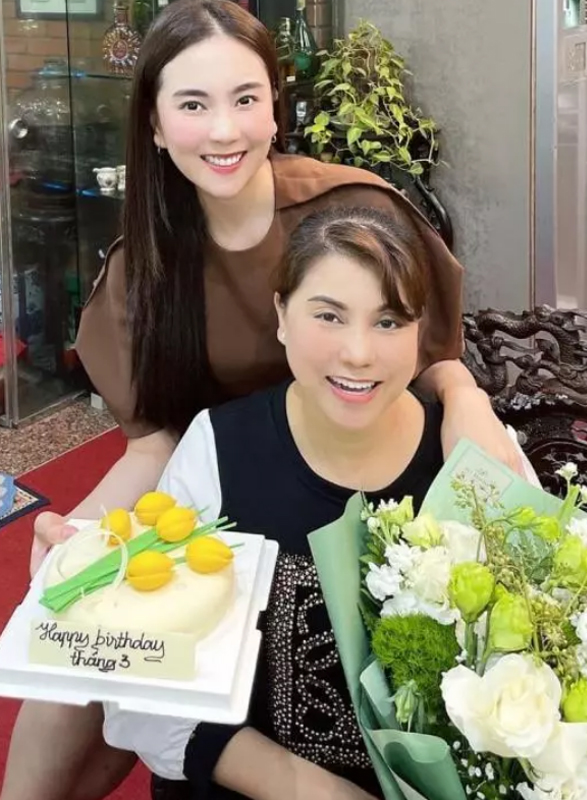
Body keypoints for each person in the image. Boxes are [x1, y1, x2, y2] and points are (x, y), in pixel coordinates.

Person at [0, 2, 522, 799]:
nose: (224, 130)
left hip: (351, 474)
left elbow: (427, 351)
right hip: (224, 491)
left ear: (276, 107)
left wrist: (466, 398)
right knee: (77, 649)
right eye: (193, 103)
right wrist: (83, 536)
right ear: (154, 124)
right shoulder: (146, 267)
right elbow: (156, 442)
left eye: (245, 98)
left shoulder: (352, 213)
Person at [103, 204, 449, 800]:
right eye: (329, 316)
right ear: (282, 315)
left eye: (390, 321)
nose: (359, 352)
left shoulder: (466, 460)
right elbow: (147, 683)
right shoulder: (220, 450)